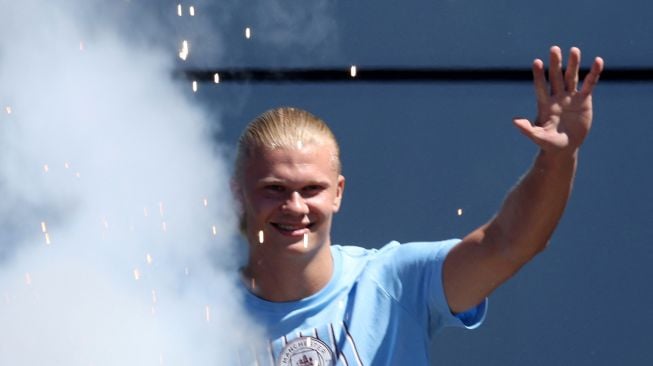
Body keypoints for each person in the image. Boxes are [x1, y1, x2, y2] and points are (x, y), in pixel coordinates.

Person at [231, 46, 604, 365]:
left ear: (338, 193)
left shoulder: (395, 279)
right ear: (237, 193)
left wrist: (558, 159)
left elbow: (510, 243)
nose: (295, 206)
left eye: (312, 188)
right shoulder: (199, 307)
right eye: (275, 189)